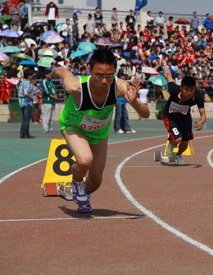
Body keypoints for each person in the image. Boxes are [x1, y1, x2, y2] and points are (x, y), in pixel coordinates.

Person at [53, 49, 150, 213]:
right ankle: (75, 183)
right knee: (84, 160)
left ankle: (76, 191)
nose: (104, 81)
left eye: (109, 76)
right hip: (74, 127)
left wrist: (135, 102)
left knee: (96, 180)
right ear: (89, 69)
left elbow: (145, 114)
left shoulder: (120, 86)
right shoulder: (75, 86)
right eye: (99, 75)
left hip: (99, 133)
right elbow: (62, 71)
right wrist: (53, 71)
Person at [162, 63, 206, 165]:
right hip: (170, 116)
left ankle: (178, 155)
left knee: (185, 142)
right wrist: (164, 64)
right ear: (181, 88)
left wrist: (201, 122)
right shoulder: (173, 89)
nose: (189, 93)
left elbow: (203, 114)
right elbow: (168, 75)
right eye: (186, 90)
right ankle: (171, 145)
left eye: (191, 90)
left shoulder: (198, 96)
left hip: (184, 117)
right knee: (178, 139)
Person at [18, 70, 37, 139]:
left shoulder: (22, 82)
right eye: (31, 75)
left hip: (22, 102)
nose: (32, 76)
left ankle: (22, 133)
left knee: (24, 119)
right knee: (27, 119)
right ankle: (26, 134)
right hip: (26, 102)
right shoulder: (27, 83)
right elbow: (26, 93)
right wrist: (33, 98)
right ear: (29, 76)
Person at [41, 68, 57, 133]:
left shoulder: (51, 82)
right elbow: (45, 91)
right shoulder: (44, 81)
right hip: (47, 101)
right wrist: (52, 96)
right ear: (46, 75)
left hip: (52, 101)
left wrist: (55, 96)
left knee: (52, 116)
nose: (51, 76)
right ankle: (45, 129)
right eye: (50, 74)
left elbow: (53, 90)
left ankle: (50, 128)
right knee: (46, 115)